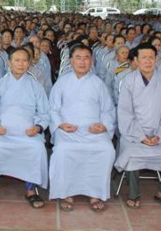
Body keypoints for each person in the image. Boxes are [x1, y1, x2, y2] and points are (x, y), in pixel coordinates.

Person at [114, 43, 161, 211]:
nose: (148, 61)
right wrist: (141, 137)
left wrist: (159, 135)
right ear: (136, 60)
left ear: (156, 59)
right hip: (134, 133)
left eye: (151, 57)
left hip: (160, 133)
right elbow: (125, 112)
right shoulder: (128, 81)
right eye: (143, 57)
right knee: (131, 154)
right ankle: (133, 193)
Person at [48, 44, 116, 212]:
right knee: (62, 150)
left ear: (91, 61)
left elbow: (108, 110)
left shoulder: (98, 83)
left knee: (106, 149)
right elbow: (53, 109)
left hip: (94, 131)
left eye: (86, 58)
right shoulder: (62, 82)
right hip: (68, 130)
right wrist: (60, 124)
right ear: (71, 60)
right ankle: (67, 193)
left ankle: (95, 193)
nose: (82, 61)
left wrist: (103, 126)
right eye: (78, 57)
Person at [0, 48, 49, 209]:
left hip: (28, 133)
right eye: (17, 60)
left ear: (29, 63)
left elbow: (45, 113)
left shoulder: (36, 86)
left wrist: (38, 127)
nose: (21, 64)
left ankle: (31, 191)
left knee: (38, 148)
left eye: (24, 60)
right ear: (9, 63)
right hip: (3, 132)